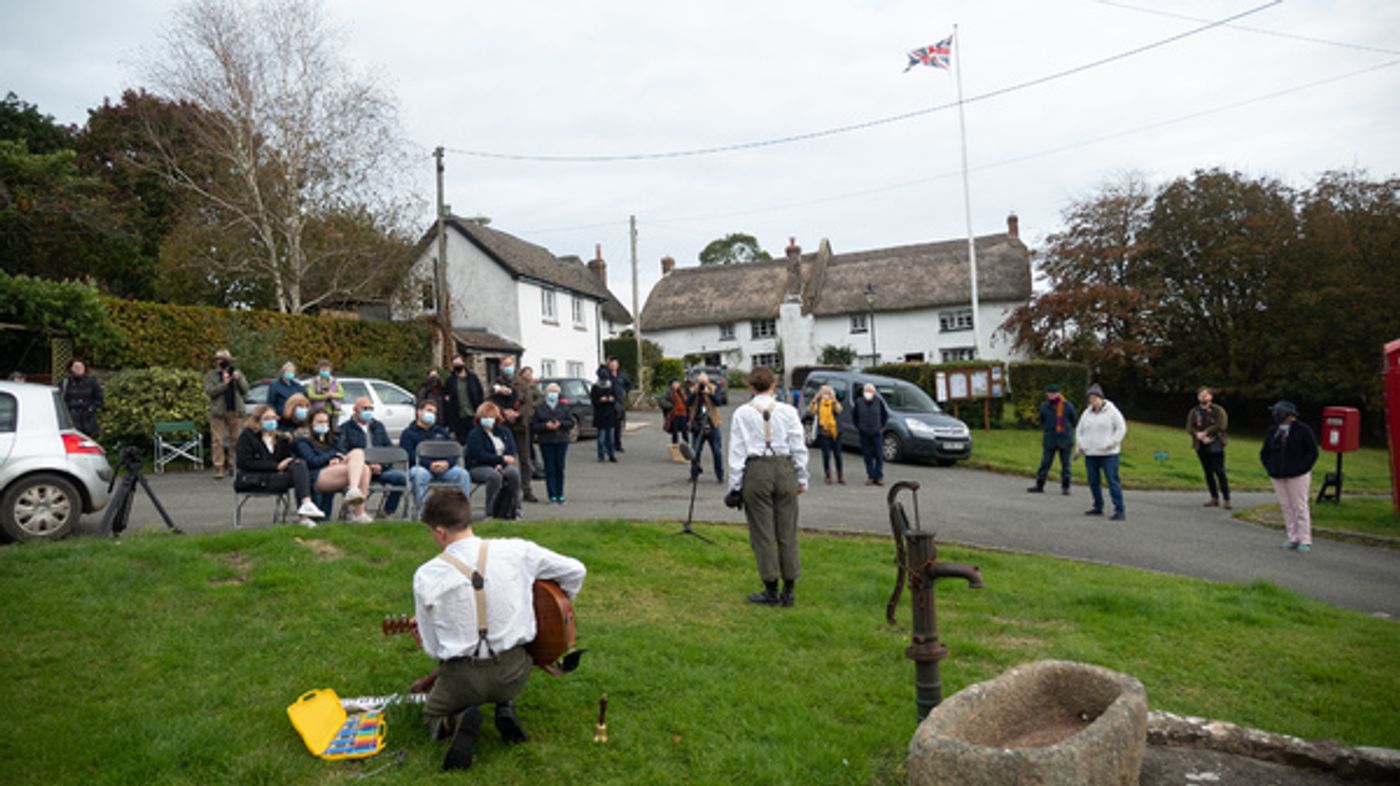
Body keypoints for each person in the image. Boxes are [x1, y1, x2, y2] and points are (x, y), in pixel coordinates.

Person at [409, 487, 586, 771]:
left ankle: (453, 721)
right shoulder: (518, 550)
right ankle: (505, 705)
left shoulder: (426, 574)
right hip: (514, 672)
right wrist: (557, 610)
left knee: (430, 714)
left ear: (440, 532)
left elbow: (433, 649)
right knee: (503, 678)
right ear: (468, 520)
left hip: (461, 681)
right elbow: (576, 571)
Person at [728, 366, 809, 607]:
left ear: (751, 386)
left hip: (757, 470)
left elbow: (737, 451)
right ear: (773, 385)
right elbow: (798, 446)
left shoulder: (742, 413)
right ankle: (790, 589)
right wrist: (802, 477)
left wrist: (735, 485)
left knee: (763, 533)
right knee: (787, 530)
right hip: (784, 469)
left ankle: (771, 588)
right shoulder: (789, 411)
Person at [233, 404, 325, 527]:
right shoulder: (247, 436)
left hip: (275, 476)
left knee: (299, 466)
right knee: (300, 476)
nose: (272, 421)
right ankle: (305, 513)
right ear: (257, 420)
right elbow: (245, 463)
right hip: (253, 478)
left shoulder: (278, 438)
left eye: (274, 418)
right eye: (267, 418)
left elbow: (284, 459)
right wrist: (275, 466)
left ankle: (306, 507)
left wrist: (289, 460)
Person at [292, 410, 374, 523]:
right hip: (316, 475)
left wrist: (337, 459)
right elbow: (312, 461)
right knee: (361, 467)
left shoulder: (333, 438)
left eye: (326, 422)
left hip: (334, 472)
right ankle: (356, 504)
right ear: (311, 423)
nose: (323, 424)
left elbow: (342, 452)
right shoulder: (303, 441)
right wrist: (331, 456)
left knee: (363, 464)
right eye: (319, 422)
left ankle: (357, 503)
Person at [1260, 400, 1319, 553]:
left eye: (1278, 413)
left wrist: (1302, 468)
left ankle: (1305, 539)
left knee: (1299, 506)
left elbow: (1312, 452)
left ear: (1288, 415)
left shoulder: (1303, 430)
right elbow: (1265, 452)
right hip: (1277, 475)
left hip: (1297, 475)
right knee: (1286, 507)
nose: (1275, 416)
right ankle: (1292, 537)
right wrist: (1270, 467)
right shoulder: (1273, 431)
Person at [338, 396, 409, 518]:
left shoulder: (378, 426)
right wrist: (367, 465)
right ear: (355, 410)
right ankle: (356, 512)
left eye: (371, 408)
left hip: (381, 469)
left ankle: (387, 512)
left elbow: (389, 449)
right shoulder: (345, 428)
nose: (368, 411)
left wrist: (382, 465)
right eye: (365, 408)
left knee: (402, 478)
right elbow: (343, 451)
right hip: (359, 471)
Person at [401, 400, 472, 514]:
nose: (432, 415)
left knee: (463, 475)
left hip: (445, 468)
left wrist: (448, 463)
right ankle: (423, 514)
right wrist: (429, 464)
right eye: (429, 411)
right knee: (418, 474)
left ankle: (463, 513)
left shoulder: (441, 432)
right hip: (422, 468)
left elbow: (453, 452)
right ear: (419, 412)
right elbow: (409, 455)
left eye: (434, 412)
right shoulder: (408, 433)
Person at [1076, 384, 1128, 520]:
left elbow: (1121, 428)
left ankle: (1119, 509)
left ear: (1101, 398)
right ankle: (1098, 506)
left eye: (1095, 397)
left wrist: (1112, 443)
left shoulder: (1112, 411)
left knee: (1112, 481)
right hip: (1091, 453)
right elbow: (1079, 430)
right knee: (1093, 481)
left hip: (1108, 454)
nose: (1092, 400)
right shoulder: (1087, 413)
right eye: (1090, 398)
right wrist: (1081, 445)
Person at [467, 402, 524, 519]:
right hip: (479, 466)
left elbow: (510, 450)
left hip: (502, 465)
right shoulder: (475, 434)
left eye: (491, 417)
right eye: (485, 417)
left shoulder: (504, 432)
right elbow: (478, 454)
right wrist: (498, 461)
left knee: (513, 473)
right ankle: (491, 512)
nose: (488, 419)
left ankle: (516, 509)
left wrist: (501, 463)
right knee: (494, 476)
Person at [204, 348, 250, 480]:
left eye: (225, 360)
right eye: (220, 360)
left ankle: (232, 464)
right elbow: (210, 392)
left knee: (235, 439)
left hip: (235, 410)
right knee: (217, 440)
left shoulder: (236, 373)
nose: (222, 362)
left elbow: (246, 389)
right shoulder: (211, 375)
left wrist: (238, 379)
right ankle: (218, 467)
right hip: (218, 411)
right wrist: (224, 384)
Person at [1029, 384, 1078, 495]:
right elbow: (1042, 420)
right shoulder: (1044, 407)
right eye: (1049, 394)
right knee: (1045, 463)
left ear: (1059, 394)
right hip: (1050, 438)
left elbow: (1074, 419)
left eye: (1054, 394)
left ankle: (1066, 487)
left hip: (1065, 439)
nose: (1051, 396)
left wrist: (1066, 430)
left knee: (1066, 465)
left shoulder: (1067, 406)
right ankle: (1039, 484)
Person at [1187, 386, 1231, 509]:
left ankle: (1227, 498)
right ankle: (1214, 497)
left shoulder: (1218, 410)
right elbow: (1189, 427)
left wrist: (1206, 433)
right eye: (1200, 395)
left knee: (1220, 471)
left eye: (1205, 395)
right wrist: (1198, 435)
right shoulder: (1194, 411)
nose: (1203, 397)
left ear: (1211, 396)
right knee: (1208, 472)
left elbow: (1221, 425)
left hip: (1216, 443)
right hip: (1200, 444)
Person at [532, 383, 575, 504]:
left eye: (556, 392)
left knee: (559, 467)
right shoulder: (540, 408)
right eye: (551, 391)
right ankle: (552, 495)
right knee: (549, 468)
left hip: (561, 440)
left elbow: (570, 423)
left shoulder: (564, 407)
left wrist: (560, 424)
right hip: (546, 441)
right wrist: (546, 426)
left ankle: (560, 494)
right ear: (546, 393)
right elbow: (535, 426)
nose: (553, 394)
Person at [687, 372, 726, 483]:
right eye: (700, 382)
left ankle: (720, 476)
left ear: (708, 381)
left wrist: (709, 394)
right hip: (697, 425)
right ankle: (694, 474)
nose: (702, 384)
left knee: (717, 451)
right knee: (695, 451)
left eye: (704, 382)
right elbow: (688, 403)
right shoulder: (693, 390)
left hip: (712, 423)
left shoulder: (714, 388)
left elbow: (719, 402)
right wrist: (695, 393)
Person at [509, 365, 540, 503]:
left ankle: (526, 490)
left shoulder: (525, 387)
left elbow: (529, 404)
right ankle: (506, 491)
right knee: (506, 459)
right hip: (505, 426)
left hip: (522, 426)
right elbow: (492, 401)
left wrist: (518, 414)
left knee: (525, 459)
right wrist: (505, 413)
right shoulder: (497, 384)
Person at [852, 382, 889, 486]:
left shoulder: (879, 402)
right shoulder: (858, 402)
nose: (868, 393)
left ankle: (879, 476)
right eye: (866, 391)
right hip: (864, 433)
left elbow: (884, 415)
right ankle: (871, 476)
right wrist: (859, 427)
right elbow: (854, 416)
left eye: (870, 391)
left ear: (874, 393)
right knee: (867, 456)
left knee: (879, 455)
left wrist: (880, 427)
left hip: (876, 433)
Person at [807, 384, 845, 485]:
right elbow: (811, 410)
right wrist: (815, 398)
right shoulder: (819, 403)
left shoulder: (834, 403)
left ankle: (840, 476)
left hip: (836, 432)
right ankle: (828, 475)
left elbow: (839, 410)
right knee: (826, 455)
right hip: (824, 432)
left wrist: (834, 400)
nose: (826, 395)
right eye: (825, 393)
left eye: (828, 393)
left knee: (838, 455)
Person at [444, 355, 484, 444]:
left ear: (463, 363)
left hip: (473, 415)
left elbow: (480, 395)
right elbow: (447, 400)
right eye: (455, 364)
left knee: (475, 441)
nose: (457, 366)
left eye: (459, 363)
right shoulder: (450, 381)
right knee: (461, 442)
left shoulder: (473, 378)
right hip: (458, 418)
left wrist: (480, 413)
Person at [60, 358, 103, 438]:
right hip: (71, 420)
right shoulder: (64, 383)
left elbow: (99, 399)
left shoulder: (92, 382)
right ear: (71, 369)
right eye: (76, 367)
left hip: (87, 420)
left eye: (81, 367)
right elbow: (60, 401)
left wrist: (91, 408)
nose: (79, 369)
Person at [590, 368, 618, 463]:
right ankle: (601, 456)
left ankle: (611, 455)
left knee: (610, 438)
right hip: (600, 415)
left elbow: (616, 398)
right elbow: (593, 401)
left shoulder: (611, 386)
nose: (604, 380)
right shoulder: (595, 387)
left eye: (606, 378)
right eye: (603, 378)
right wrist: (600, 400)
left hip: (610, 415)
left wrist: (611, 399)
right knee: (601, 438)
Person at [268, 361, 306, 430]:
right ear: (283, 372)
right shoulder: (275, 385)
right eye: (288, 371)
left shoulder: (297, 386)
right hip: (281, 420)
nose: (290, 373)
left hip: (296, 420)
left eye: (292, 372)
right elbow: (270, 403)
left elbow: (303, 401)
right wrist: (274, 416)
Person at [661, 378, 689, 463]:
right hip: (675, 415)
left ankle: (687, 451)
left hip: (683, 414)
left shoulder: (682, 392)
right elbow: (661, 400)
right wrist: (671, 406)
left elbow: (686, 401)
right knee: (675, 433)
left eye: (678, 383)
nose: (677, 385)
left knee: (685, 432)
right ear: (671, 385)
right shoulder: (669, 393)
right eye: (675, 383)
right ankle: (675, 451)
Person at [607, 357, 631, 452]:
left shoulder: (622, 376)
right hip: (609, 403)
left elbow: (629, 384)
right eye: (611, 364)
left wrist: (626, 391)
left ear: (618, 365)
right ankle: (608, 445)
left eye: (615, 364)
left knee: (618, 426)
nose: (613, 366)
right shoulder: (606, 375)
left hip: (619, 403)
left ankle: (618, 445)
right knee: (609, 426)